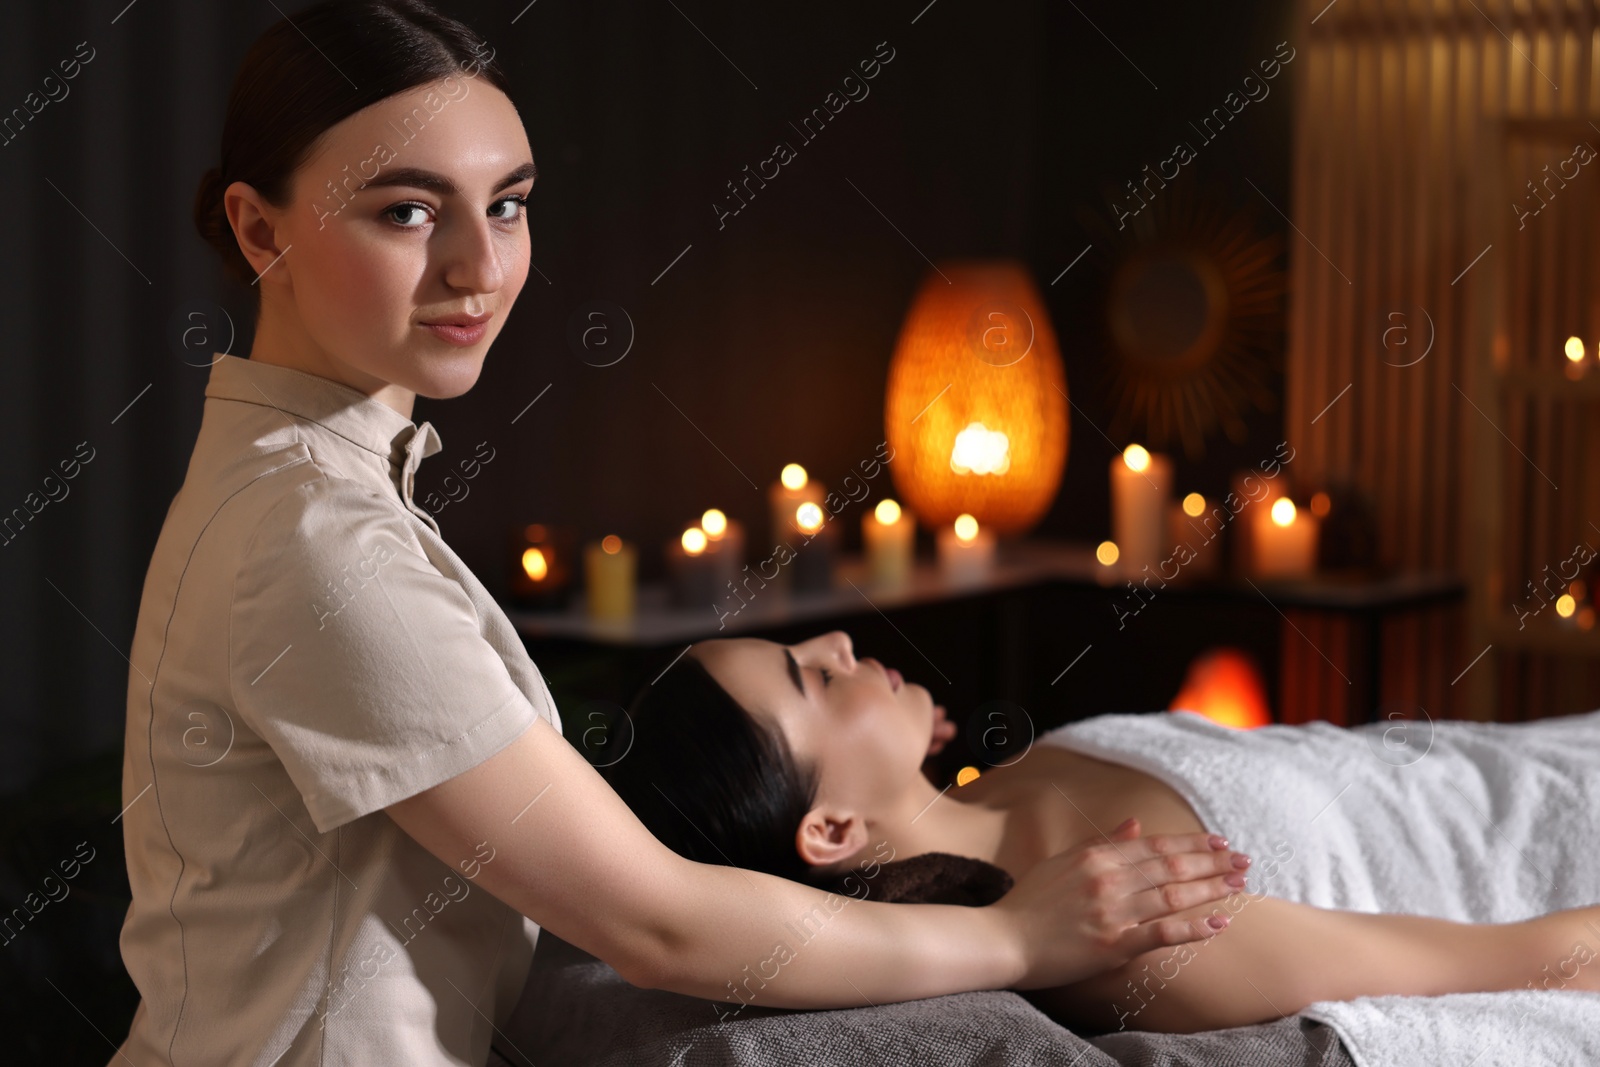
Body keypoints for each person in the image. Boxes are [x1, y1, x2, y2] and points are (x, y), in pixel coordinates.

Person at [112, 3, 1249, 1064]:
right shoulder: (311, 542)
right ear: (259, 229)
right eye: (406, 211)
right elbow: (654, 919)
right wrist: (1024, 939)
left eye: (505, 202)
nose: (481, 266)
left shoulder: (317, 496)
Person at [604, 630, 1600, 1034]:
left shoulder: (988, 794)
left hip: (1526, 755)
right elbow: (1518, 960)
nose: (836, 641)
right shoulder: (1136, 921)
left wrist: (899, 765)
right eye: (812, 676)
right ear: (829, 826)